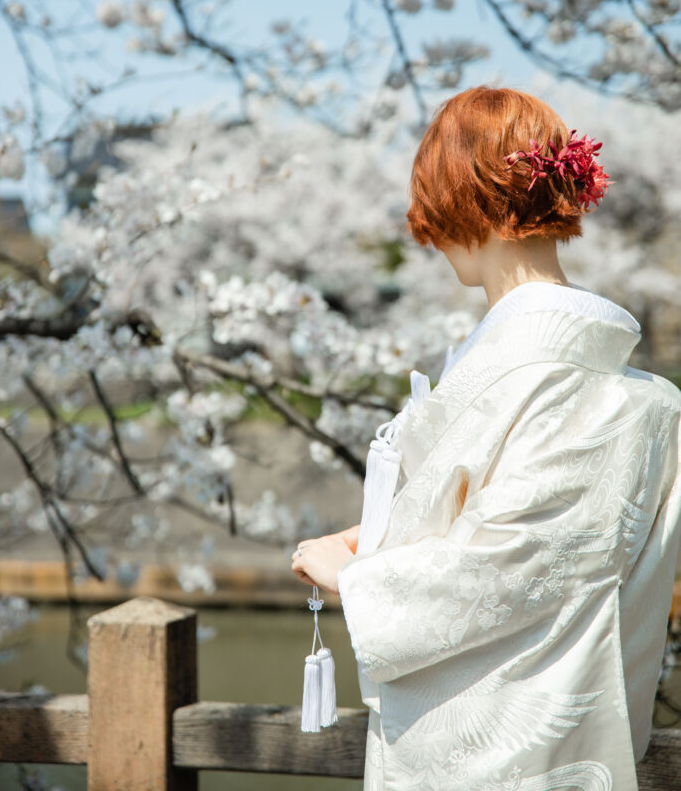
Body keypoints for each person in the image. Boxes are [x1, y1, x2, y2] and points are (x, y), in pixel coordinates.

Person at [290, 86, 681, 791]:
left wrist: (352, 576)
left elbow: (514, 562)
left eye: (438, 204)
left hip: (500, 754)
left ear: (475, 202)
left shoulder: (552, 377)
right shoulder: (622, 389)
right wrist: (381, 536)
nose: (434, 238)